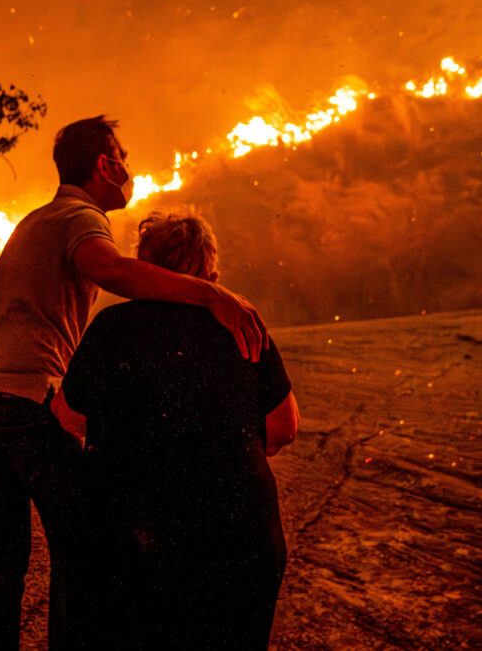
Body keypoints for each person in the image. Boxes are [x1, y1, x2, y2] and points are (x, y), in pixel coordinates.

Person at [0, 116, 270, 650]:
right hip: (24, 401)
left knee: (5, 551)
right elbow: (113, 272)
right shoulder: (81, 216)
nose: (129, 167)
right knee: (84, 545)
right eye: (123, 156)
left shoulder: (37, 219)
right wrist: (210, 294)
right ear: (105, 165)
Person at [54, 211, 300, 650]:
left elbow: (69, 417)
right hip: (241, 540)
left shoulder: (111, 328)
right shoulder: (241, 323)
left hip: (131, 542)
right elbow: (284, 426)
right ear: (212, 271)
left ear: (143, 267)